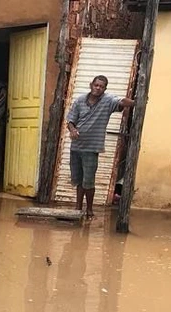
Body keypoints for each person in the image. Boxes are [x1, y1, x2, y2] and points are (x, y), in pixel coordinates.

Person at [66, 75, 135, 219]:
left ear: (105, 89)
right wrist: (72, 130)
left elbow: (121, 102)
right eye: (96, 85)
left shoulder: (108, 100)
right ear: (91, 85)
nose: (98, 88)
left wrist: (136, 102)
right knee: (79, 180)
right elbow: (70, 121)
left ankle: (89, 210)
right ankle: (78, 208)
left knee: (88, 181)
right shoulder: (79, 101)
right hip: (76, 147)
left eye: (101, 86)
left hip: (92, 148)